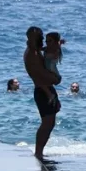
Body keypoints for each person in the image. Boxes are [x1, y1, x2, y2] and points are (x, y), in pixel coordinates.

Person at [24, 27, 62, 160]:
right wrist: (55, 79)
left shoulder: (35, 52)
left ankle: (40, 152)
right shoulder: (32, 54)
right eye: (39, 37)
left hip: (46, 90)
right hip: (42, 90)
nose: (42, 39)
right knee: (47, 124)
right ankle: (38, 152)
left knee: (49, 124)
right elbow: (39, 75)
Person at [39, 32, 64, 104]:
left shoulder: (56, 50)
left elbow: (52, 56)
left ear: (55, 41)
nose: (47, 42)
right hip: (50, 71)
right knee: (42, 82)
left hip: (53, 73)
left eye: (49, 41)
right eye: (46, 41)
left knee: (41, 82)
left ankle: (50, 95)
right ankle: (50, 95)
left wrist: (59, 44)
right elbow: (40, 49)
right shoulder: (48, 48)